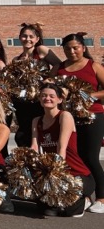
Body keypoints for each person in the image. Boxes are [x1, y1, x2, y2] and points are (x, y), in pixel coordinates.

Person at [49, 33, 104, 213]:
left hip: (92, 116)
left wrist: (89, 96)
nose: (72, 51)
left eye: (75, 47)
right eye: (67, 49)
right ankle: (86, 196)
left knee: (91, 157)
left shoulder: (93, 66)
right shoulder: (58, 68)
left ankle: (102, 198)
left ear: (83, 48)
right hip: (68, 119)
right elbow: (49, 88)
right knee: (76, 158)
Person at [31, 84, 95, 217]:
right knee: (46, 210)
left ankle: (85, 199)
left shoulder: (64, 116)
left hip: (77, 174)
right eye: (43, 95)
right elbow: (35, 147)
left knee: (70, 212)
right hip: (52, 172)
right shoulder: (36, 120)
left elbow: (62, 147)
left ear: (60, 100)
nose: (47, 98)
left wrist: (57, 176)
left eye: (51, 96)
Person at [11, 22, 61, 147]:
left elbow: (59, 65)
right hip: (22, 103)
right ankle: (26, 159)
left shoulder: (41, 50)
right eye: (24, 36)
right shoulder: (16, 59)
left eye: (31, 36)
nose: (27, 39)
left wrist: (50, 78)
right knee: (23, 134)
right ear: (19, 38)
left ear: (37, 39)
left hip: (40, 101)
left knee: (40, 130)